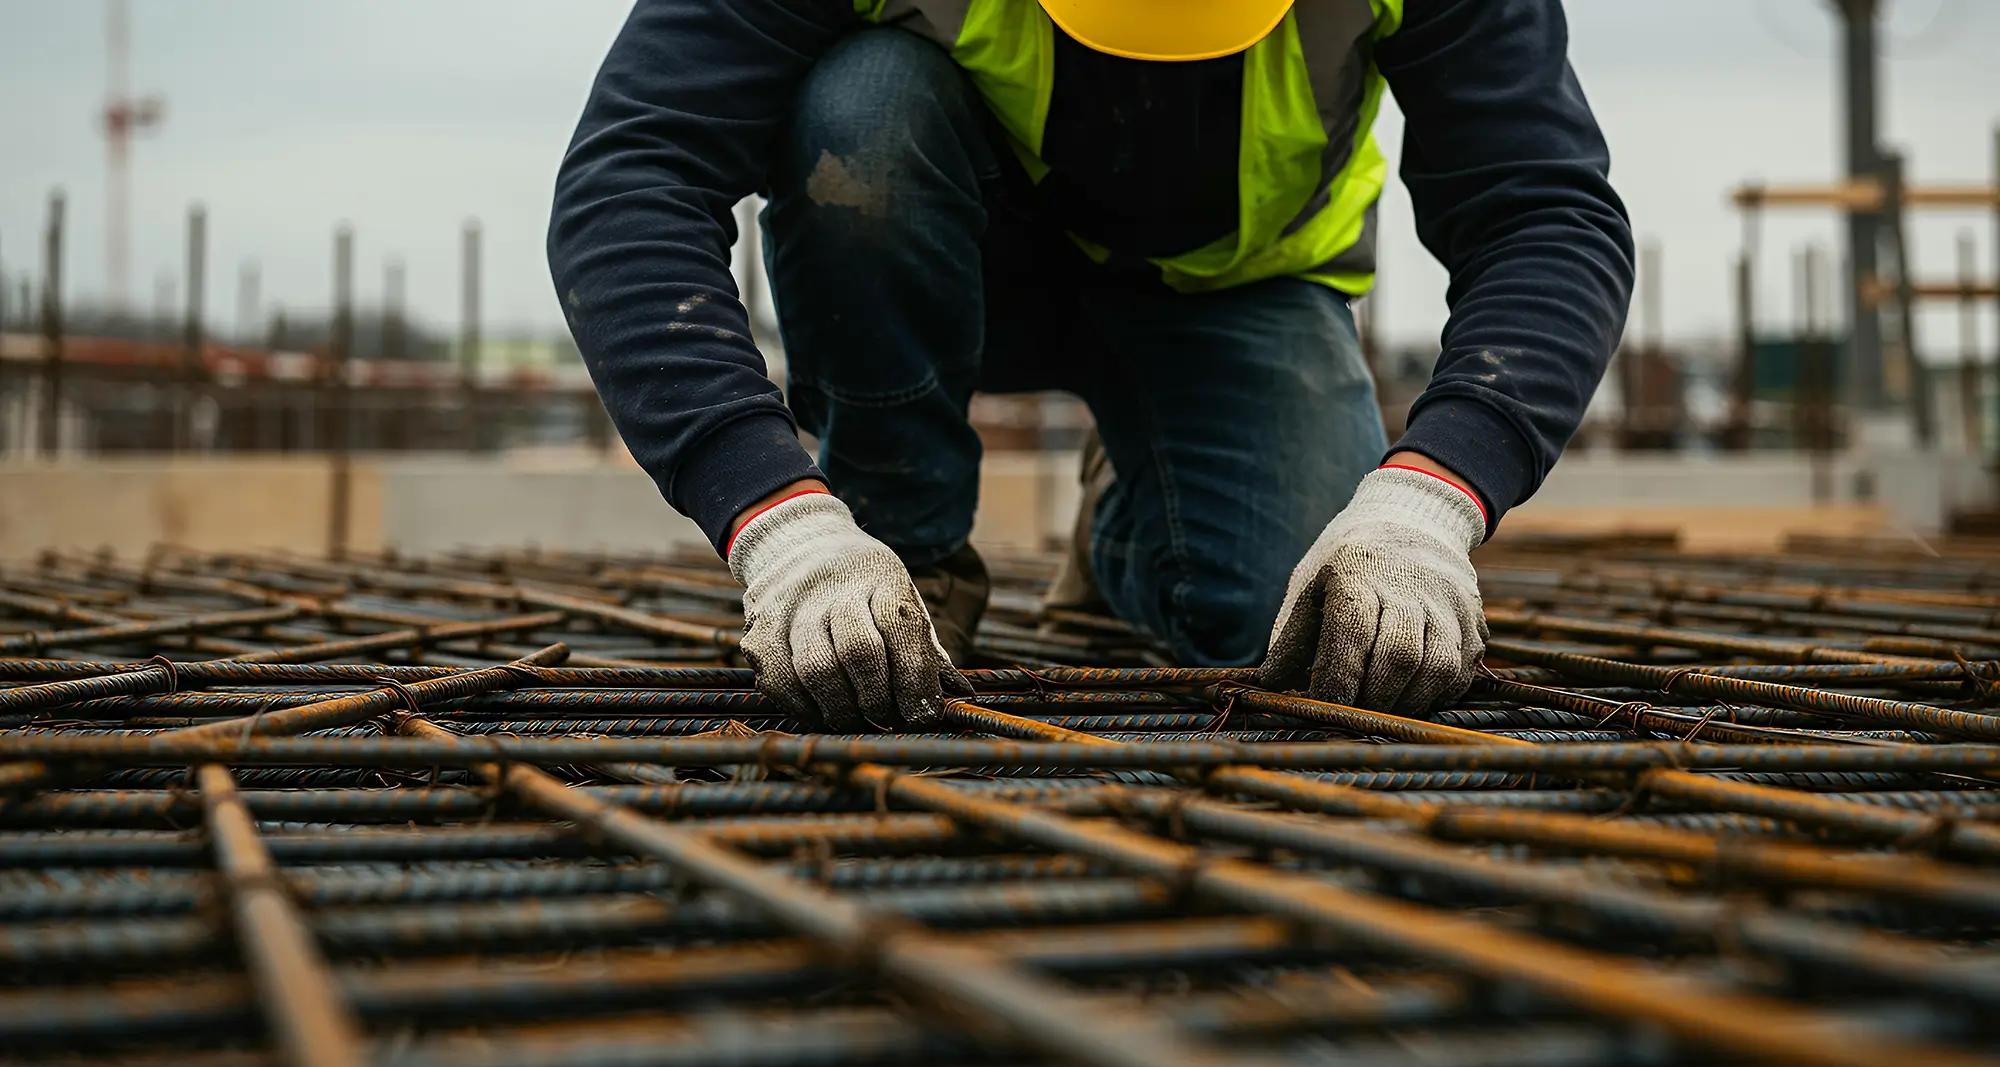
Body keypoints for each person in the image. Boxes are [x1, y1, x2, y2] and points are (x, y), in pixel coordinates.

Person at [549, 0, 1633, 726]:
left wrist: (1427, 501)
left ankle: (1133, 502)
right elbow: (631, 175)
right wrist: (779, 522)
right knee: (860, 116)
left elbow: (1543, 212)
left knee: (1301, 622)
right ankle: (901, 541)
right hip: (952, 256)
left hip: (1226, 292)